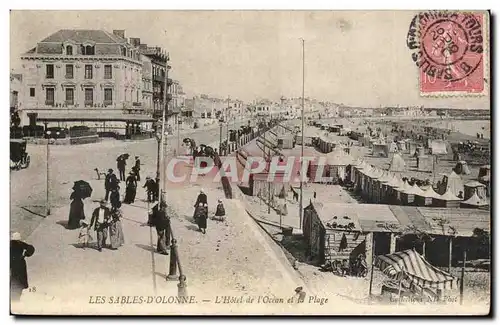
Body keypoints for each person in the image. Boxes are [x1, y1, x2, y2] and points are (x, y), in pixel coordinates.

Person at [10, 232, 35, 302]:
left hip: (10, 264)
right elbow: (31, 248)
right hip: (20, 264)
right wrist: (26, 254)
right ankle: (16, 298)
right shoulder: (21, 244)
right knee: (19, 281)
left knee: (11, 280)